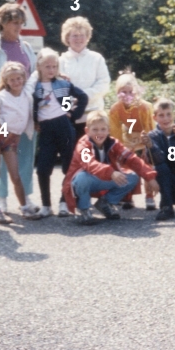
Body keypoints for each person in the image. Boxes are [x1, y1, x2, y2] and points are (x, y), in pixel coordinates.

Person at [0, 3, 39, 214]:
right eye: (14, 23)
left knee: (25, 156)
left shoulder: (27, 48)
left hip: (23, 114)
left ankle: (26, 199)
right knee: (2, 155)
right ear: (2, 23)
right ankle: (1, 200)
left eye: (21, 23)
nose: (18, 27)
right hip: (0, 116)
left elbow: (34, 79)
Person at [62, 111, 160, 225]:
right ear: (87, 131)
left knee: (133, 177)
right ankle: (84, 209)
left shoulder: (114, 143)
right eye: (95, 130)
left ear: (109, 130)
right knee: (82, 178)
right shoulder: (82, 145)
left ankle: (105, 203)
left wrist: (150, 177)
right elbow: (89, 163)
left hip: (104, 178)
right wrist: (111, 172)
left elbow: (132, 158)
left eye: (103, 129)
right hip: (86, 180)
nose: (99, 133)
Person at [0, 63, 41, 224]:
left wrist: (58, 73)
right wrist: (0, 130)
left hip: (10, 140)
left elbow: (36, 75)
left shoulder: (27, 93)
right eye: (12, 80)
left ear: (23, 78)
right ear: (6, 81)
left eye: (19, 78)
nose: (16, 82)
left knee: (15, 175)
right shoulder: (0, 97)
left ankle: (24, 207)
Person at [27, 48, 88, 217]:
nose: (51, 70)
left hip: (64, 127)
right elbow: (28, 104)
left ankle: (64, 202)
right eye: (47, 66)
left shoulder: (64, 83)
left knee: (68, 167)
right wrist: (35, 120)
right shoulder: (34, 86)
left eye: (54, 66)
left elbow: (83, 97)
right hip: (46, 130)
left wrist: (72, 115)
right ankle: (46, 205)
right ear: (39, 67)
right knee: (43, 168)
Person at [58, 16, 110, 144]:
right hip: (70, 118)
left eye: (82, 35)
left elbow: (104, 83)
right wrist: (68, 107)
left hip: (94, 118)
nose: (78, 39)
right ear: (67, 38)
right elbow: (59, 89)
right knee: (72, 158)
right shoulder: (61, 61)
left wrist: (83, 97)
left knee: (95, 158)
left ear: (87, 37)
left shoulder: (97, 58)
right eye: (74, 35)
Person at [108, 71, 156, 210]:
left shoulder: (144, 107)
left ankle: (149, 196)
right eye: (124, 92)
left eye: (131, 92)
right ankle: (127, 196)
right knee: (126, 166)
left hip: (144, 136)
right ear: (118, 92)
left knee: (147, 165)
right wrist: (118, 149)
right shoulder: (115, 109)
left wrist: (148, 145)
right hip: (128, 137)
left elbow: (149, 127)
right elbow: (115, 131)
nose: (128, 95)